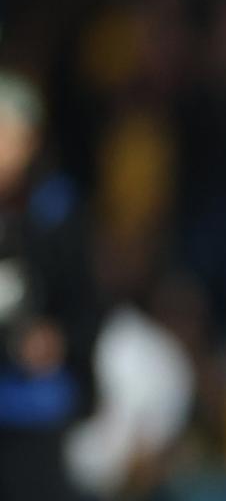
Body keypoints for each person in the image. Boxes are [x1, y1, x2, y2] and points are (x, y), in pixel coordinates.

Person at [0, 72, 102, 501]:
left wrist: (57, 340)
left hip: (36, 404)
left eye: (12, 136)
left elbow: (87, 305)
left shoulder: (54, 213)